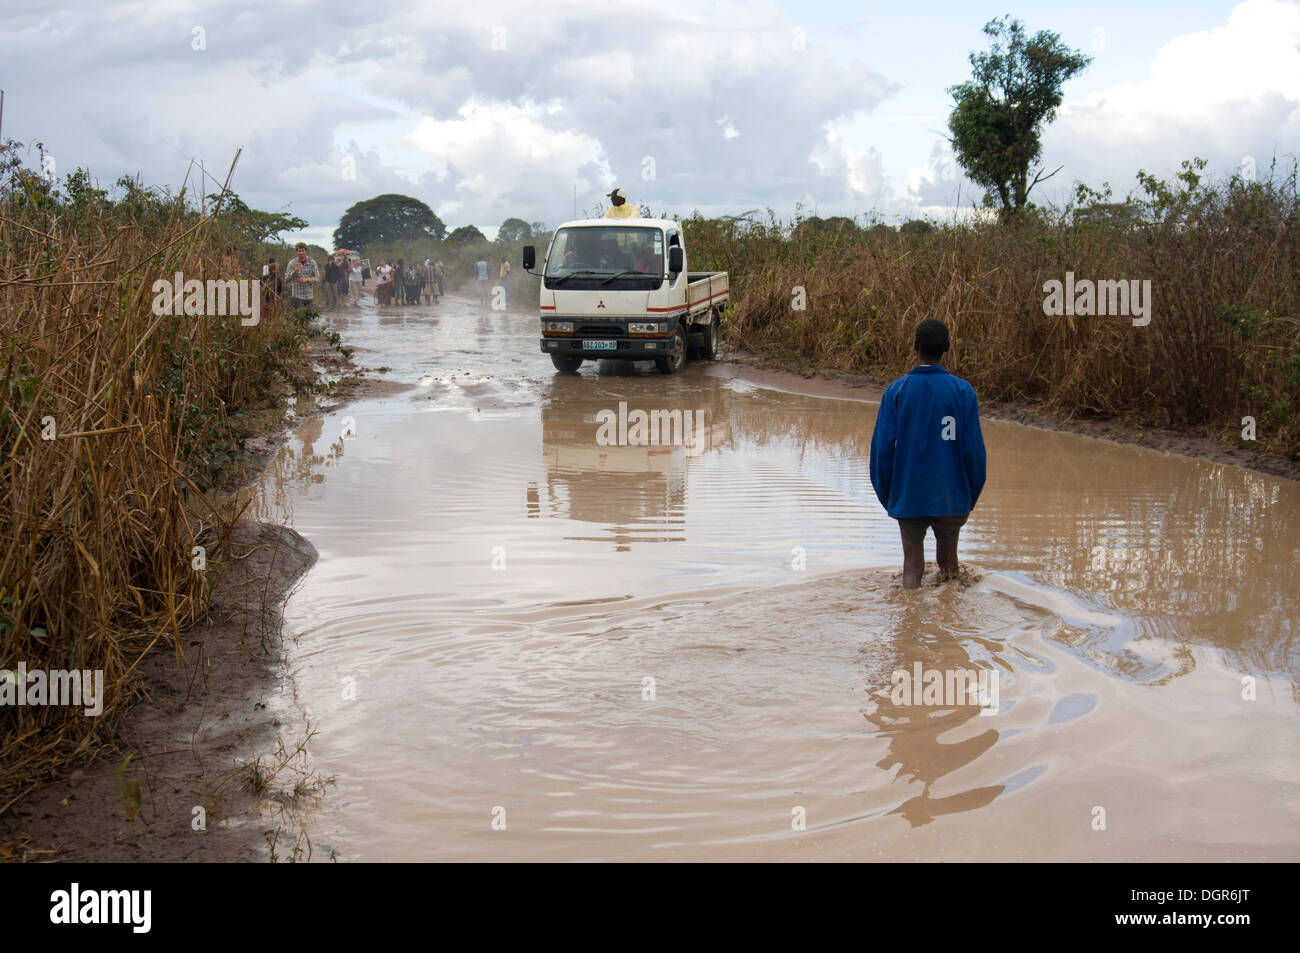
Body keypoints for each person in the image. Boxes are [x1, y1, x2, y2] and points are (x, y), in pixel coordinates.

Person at [869, 318, 986, 589]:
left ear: (915, 346)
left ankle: (910, 621)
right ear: (947, 347)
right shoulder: (963, 392)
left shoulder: (896, 391)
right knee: (949, 568)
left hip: (909, 494)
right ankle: (948, 620)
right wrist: (969, 497)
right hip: (951, 495)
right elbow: (974, 453)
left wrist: (890, 498)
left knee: (911, 567)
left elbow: (882, 451)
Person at [284, 242, 319, 311]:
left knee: (308, 319)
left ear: (306, 251)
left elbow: (317, 278)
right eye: (299, 251)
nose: (301, 253)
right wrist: (294, 272)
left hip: (309, 295)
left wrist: (307, 279)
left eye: (302, 251)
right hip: (297, 295)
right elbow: (286, 279)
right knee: (300, 317)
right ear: (296, 252)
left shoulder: (312, 262)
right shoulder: (292, 263)